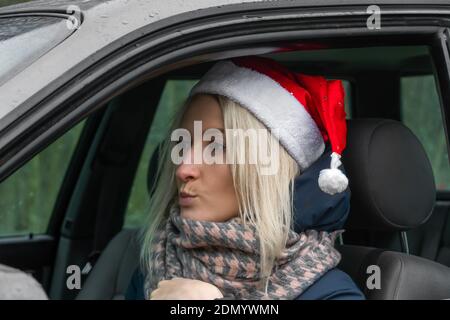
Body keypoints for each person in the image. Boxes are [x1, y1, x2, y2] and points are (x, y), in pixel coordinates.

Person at [126, 56, 365, 300]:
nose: (183, 169)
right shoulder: (154, 267)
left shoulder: (331, 294)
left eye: (218, 146)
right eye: (182, 144)